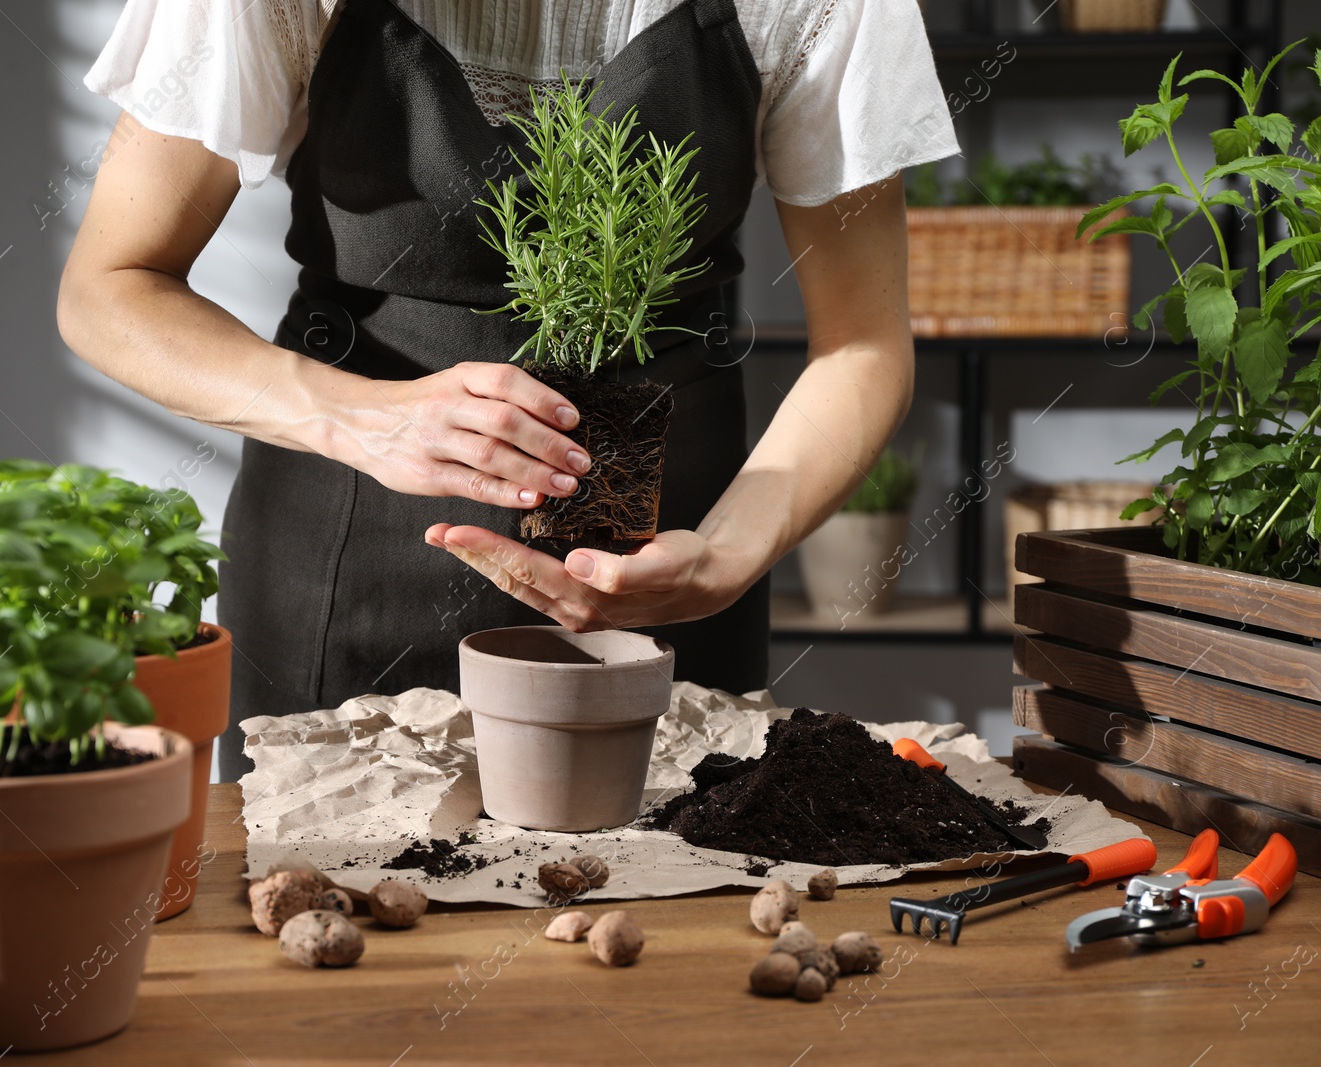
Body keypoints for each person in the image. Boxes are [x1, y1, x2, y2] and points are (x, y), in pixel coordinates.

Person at [60, 0, 959, 782]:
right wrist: (361, 418)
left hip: (663, 588)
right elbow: (108, 290)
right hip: (344, 586)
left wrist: (726, 553)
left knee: (672, 956)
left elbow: (864, 343)